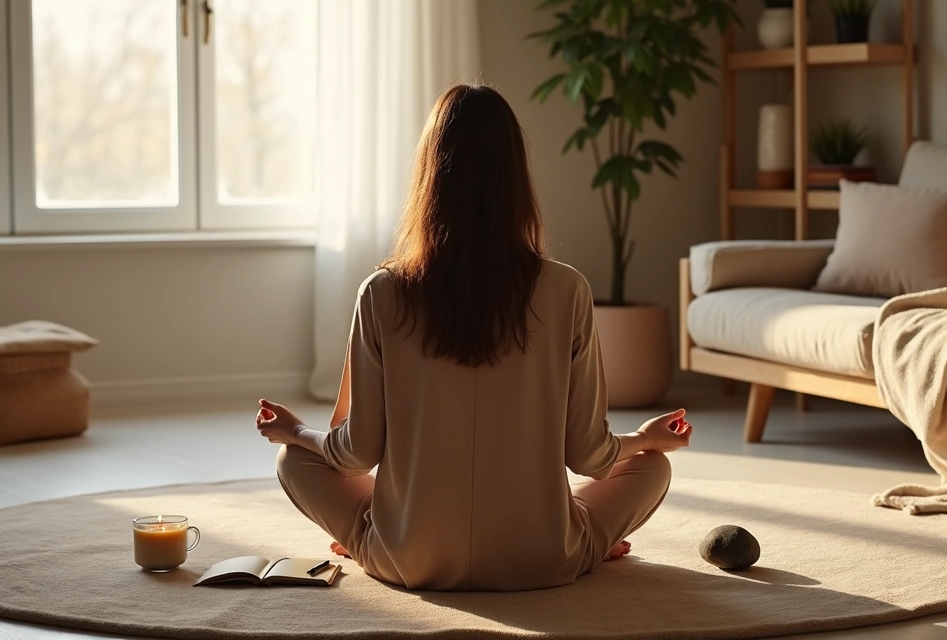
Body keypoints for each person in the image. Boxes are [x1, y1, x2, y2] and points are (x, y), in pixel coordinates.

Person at [255, 84, 692, 592]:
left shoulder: (380, 292)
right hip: (541, 559)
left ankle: (369, 537)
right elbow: (590, 458)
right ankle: (585, 538)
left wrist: (297, 433)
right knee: (651, 469)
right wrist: (646, 440)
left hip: (408, 561)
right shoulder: (568, 288)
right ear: (516, 179)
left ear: (428, 176)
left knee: (294, 461)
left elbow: (354, 454)